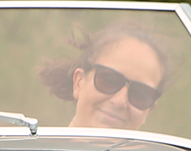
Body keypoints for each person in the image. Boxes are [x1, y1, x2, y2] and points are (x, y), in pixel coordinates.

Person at [38, 22, 168, 130]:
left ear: (149, 110)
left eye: (140, 94)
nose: (119, 102)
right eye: (109, 81)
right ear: (78, 82)